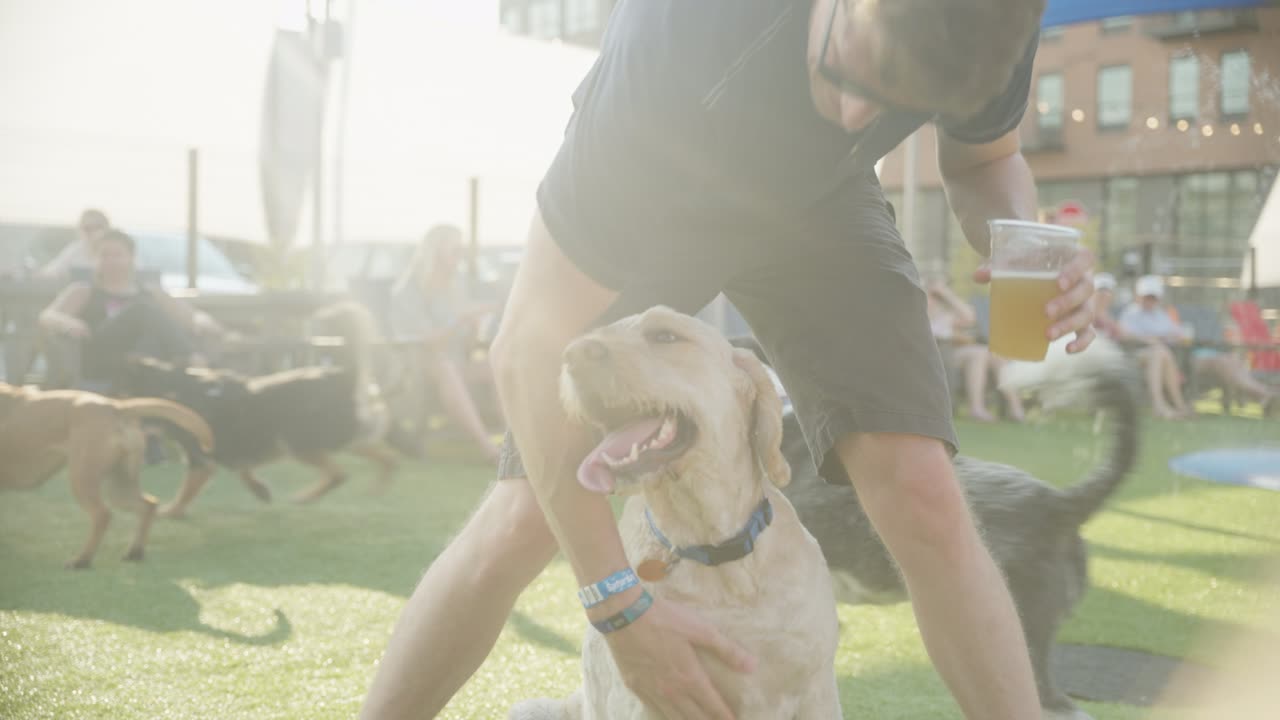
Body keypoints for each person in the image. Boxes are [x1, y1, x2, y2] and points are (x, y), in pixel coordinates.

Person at [360, 1, 1097, 719]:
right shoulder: (683, 37)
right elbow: (525, 346)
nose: (848, 115)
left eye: (891, 107)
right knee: (525, 516)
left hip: (822, 201)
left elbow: (985, 160)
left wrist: (1017, 240)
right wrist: (616, 601)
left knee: (925, 493)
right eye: (848, 74)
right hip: (669, 179)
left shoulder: (986, 27)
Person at [38, 229, 226, 392]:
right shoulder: (83, 291)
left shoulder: (151, 292)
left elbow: (190, 316)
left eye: (117, 254)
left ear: (131, 258)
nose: (110, 260)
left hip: (143, 365)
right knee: (143, 309)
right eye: (104, 255)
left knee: (148, 309)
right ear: (95, 260)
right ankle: (195, 362)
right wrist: (66, 322)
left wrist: (202, 320)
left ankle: (194, 371)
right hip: (102, 358)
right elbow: (47, 316)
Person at [388, 224, 501, 462]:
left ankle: (515, 443)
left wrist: (474, 328)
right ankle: (488, 448)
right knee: (445, 367)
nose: (460, 256)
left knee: (497, 363)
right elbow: (429, 341)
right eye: (455, 250)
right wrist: (460, 318)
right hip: (420, 368)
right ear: (436, 251)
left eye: (462, 251)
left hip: (456, 363)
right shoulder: (408, 290)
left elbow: (468, 348)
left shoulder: (455, 286)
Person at [926, 277, 1025, 422]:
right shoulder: (922, 309)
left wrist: (946, 294)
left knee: (995, 354)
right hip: (937, 354)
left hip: (953, 353)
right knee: (978, 353)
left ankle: (1016, 408)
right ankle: (976, 408)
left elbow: (970, 317)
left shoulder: (945, 312)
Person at [1098, 273, 1193, 420]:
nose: (1150, 301)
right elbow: (1124, 335)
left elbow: (1178, 333)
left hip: (1156, 355)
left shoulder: (1161, 315)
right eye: (1147, 297)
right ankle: (1165, 405)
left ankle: (1174, 405)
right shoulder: (1130, 314)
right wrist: (1149, 340)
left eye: (1153, 297)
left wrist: (1162, 339)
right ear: (1139, 296)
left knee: (1161, 353)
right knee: (1159, 352)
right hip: (1131, 355)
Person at [37, 209, 110, 280]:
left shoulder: (113, 251)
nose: (91, 232)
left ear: (106, 229)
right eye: (86, 228)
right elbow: (52, 271)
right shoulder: (75, 249)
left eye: (97, 227)